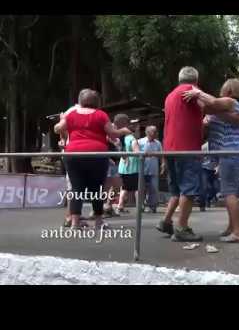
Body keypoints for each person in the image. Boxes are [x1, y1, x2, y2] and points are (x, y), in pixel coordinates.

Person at [156, 66, 235, 242]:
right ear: (196, 80)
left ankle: (166, 221)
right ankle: (182, 228)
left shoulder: (170, 96)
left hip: (169, 147)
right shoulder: (192, 91)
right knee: (189, 189)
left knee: (177, 189)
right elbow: (213, 105)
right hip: (187, 148)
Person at [54, 89, 131, 229]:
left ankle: (75, 223)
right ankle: (98, 221)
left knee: (76, 189)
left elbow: (57, 129)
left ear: (80, 101)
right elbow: (113, 134)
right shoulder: (100, 115)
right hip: (97, 155)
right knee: (97, 189)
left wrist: (61, 121)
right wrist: (123, 131)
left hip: (74, 155)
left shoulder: (71, 115)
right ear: (96, 102)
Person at [186, 78, 239, 243]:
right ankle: (232, 227)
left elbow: (212, 102)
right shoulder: (225, 109)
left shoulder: (231, 101)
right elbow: (212, 111)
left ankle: (238, 232)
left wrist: (197, 93)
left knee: (229, 193)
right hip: (229, 154)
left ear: (228, 90)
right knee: (229, 191)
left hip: (231, 153)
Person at [138, 125, 166, 213]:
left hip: (153, 170)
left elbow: (161, 155)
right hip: (142, 169)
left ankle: (152, 206)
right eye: (154, 131)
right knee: (141, 189)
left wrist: (163, 164)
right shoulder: (140, 142)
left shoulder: (158, 143)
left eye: (156, 131)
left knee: (153, 188)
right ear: (148, 132)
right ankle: (141, 205)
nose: (156, 133)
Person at [116, 114, 140, 214]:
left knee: (125, 187)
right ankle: (139, 206)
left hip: (123, 168)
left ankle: (120, 205)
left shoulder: (120, 139)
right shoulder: (131, 138)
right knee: (138, 188)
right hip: (132, 168)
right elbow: (137, 152)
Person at [198, 142, 219, 212]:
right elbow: (199, 157)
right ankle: (202, 205)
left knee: (216, 187)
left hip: (213, 169)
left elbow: (220, 158)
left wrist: (218, 167)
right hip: (204, 168)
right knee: (204, 187)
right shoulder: (204, 147)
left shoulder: (217, 147)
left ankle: (208, 199)